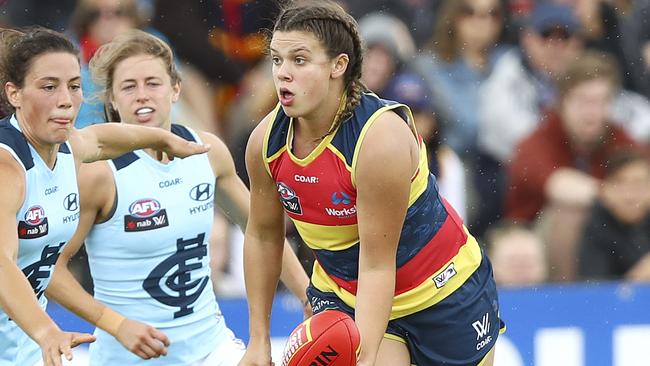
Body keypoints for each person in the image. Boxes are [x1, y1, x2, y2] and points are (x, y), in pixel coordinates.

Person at [240, 1, 504, 366]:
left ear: (339, 65)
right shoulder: (264, 144)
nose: (283, 73)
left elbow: (378, 264)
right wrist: (258, 341)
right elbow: (263, 236)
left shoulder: (379, 140)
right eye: (276, 59)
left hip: (443, 293)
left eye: (299, 60)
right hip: (347, 294)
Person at [45, 30, 310, 366]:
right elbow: (48, 270)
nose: (142, 96)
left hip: (212, 351)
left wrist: (307, 294)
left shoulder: (207, 152)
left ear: (175, 90)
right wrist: (116, 324)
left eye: (153, 83)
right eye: (129, 86)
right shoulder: (99, 175)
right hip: (124, 359)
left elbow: (262, 231)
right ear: (111, 99)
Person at [0, 27, 208, 366]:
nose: (66, 99)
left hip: (22, 349)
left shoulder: (66, 147)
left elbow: (99, 139)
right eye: (49, 87)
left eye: (74, 86)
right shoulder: (7, 167)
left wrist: (161, 139)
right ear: (15, 94)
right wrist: (45, 331)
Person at [504, 51, 640, 281]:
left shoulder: (618, 138)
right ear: (563, 101)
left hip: (608, 237)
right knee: (571, 214)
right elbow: (559, 185)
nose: (593, 112)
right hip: (532, 240)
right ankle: (571, 301)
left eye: (602, 101)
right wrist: (617, 194)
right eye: (584, 101)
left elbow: (641, 180)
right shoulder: (538, 141)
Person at [578, 150, 650, 281]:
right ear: (605, 190)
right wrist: (637, 279)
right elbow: (595, 291)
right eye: (621, 184)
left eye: (639, 184)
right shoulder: (598, 225)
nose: (630, 196)